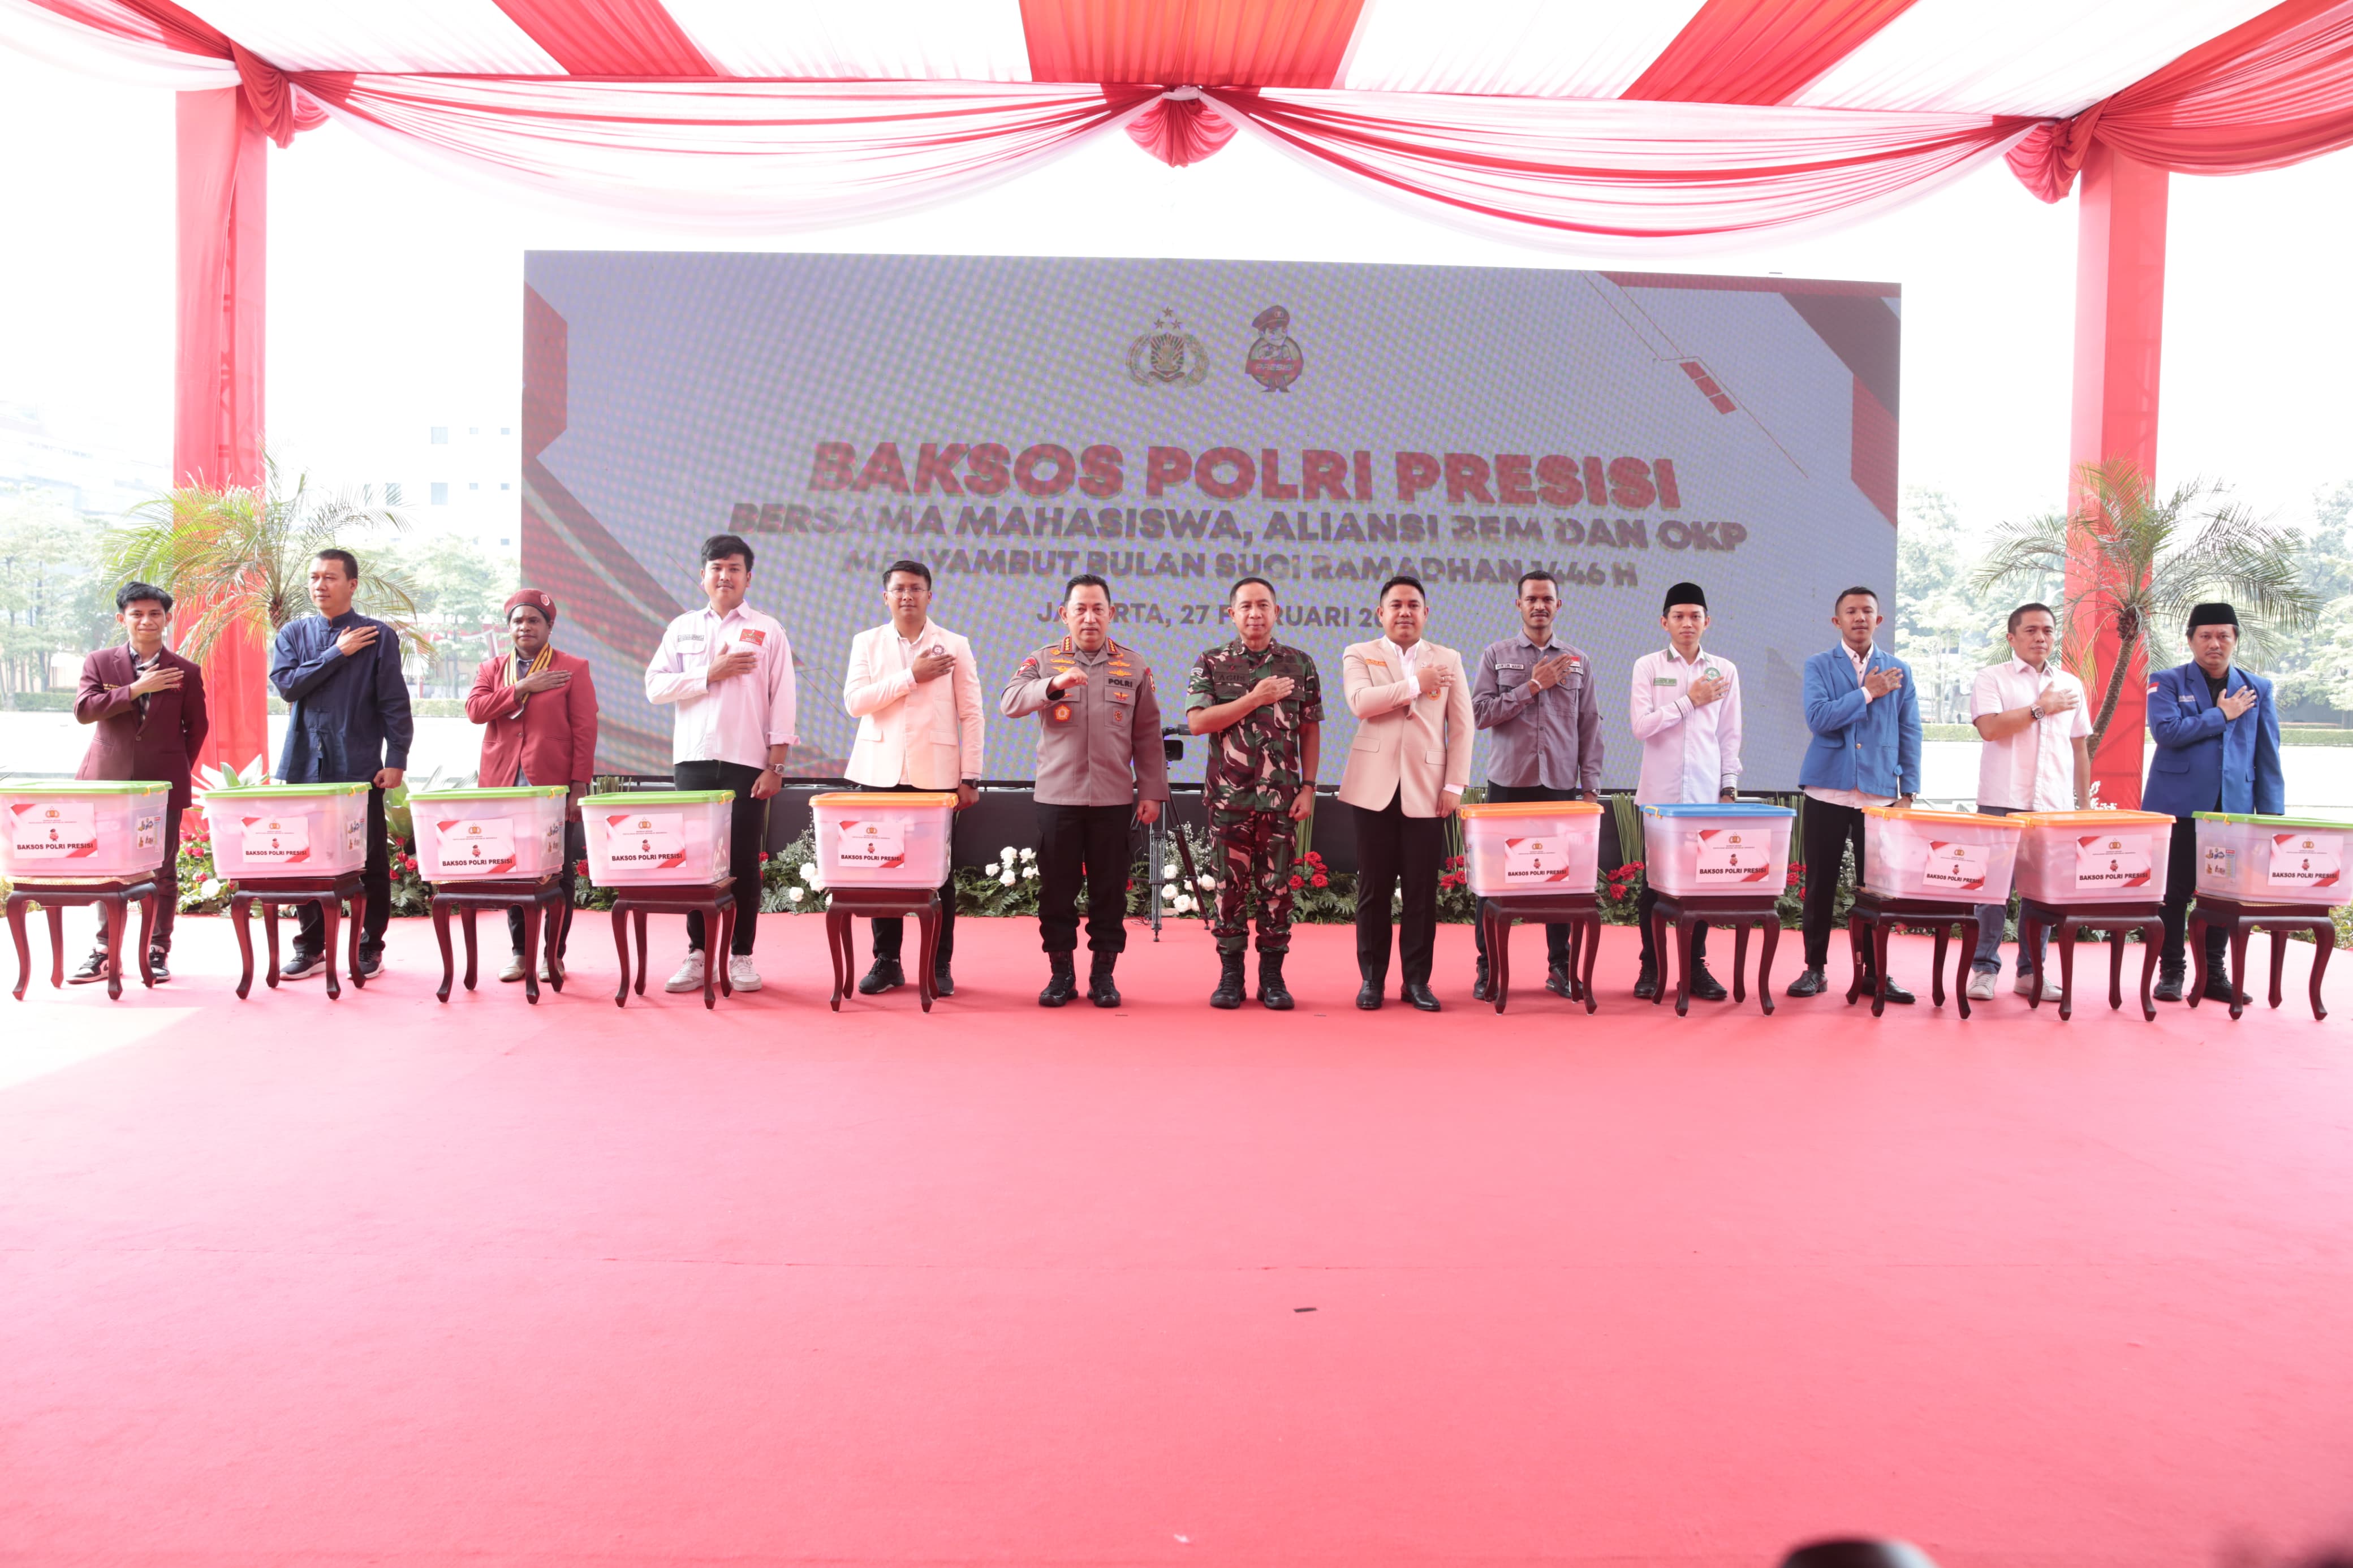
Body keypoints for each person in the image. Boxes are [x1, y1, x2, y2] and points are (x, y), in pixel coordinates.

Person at [1000, 574, 1170, 1008]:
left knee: (1110, 892)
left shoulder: (1133, 666)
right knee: (1056, 892)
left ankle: (1103, 976)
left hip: (1113, 800)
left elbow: (1148, 736)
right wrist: (1053, 685)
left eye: (1098, 609)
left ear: (1112, 613)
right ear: (1065, 614)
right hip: (1057, 799)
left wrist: (1151, 791)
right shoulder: (1044, 660)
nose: (1090, 618)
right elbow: (1010, 702)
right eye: (1081, 609)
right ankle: (1061, 974)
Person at [643, 533, 796, 994]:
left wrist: (776, 765)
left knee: (744, 861)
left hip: (747, 763)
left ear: (749, 577)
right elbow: (655, 687)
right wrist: (709, 673)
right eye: (716, 568)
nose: (724, 576)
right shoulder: (682, 627)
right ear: (702, 576)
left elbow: (783, 700)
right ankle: (698, 954)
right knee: (696, 862)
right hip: (692, 762)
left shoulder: (768, 629)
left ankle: (741, 955)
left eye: (734, 568)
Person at [269, 548, 412, 981]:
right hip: (303, 765)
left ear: (352, 584)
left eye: (330, 577)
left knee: (369, 859)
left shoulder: (378, 636)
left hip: (359, 765)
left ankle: (370, 945)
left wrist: (397, 758)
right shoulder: (293, 633)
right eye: (314, 577)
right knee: (306, 859)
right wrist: (336, 653)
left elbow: (394, 702)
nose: (320, 585)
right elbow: (288, 687)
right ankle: (311, 947)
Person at [844, 559, 983, 997]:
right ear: (885, 596)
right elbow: (856, 703)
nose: (907, 595)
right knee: (880, 871)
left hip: (937, 777)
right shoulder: (867, 642)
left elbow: (971, 714)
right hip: (877, 774)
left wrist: (970, 776)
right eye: (899, 588)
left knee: (939, 875)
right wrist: (911, 677)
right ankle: (887, 961)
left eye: (916, 588)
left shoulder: (954, 644)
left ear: (929, 595)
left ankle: (939, 963)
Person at [1186, 576, 1324, 1010]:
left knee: (1277, 889)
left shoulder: (1299, 663)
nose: (1255, 613)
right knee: (1228, 890)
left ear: (1276, 612)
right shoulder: (1212, 661)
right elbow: (1198, 722)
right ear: (1232, 614)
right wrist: (1255, 697)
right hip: (1230, 800)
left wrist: (1309, 787)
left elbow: (1309, 730)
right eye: (1245, 606)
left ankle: (1272, 977)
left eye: (1263, 605)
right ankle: (1231, 977)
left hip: (1281, 801)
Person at [1339, 575, 1472, 1012]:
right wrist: (1417, 683)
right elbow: (1361, 702)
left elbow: (1463, 726)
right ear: (1381, 613)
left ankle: (1417, 981)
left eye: (1413, 605)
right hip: (1372, 789)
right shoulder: (1360, 652)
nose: (1404, 612)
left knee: (1421, 892)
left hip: (1429, 790)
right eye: (1395, 605)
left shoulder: (1449, 658)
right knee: (1374, 889)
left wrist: (1454, 785)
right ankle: (1372, 979)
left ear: (1425, 613)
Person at [1469, 569, 1602, 1001]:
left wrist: (1590, 789)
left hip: (1559, 786)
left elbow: (1589, 727)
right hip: (1508, 783)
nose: (1540, 606)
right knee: (1493, 882)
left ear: (1558, 605)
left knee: (1559, 881)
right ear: (1519, 605)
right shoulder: (1496, 654)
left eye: (1547, 599)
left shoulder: (1579, 661)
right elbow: (1479, 714)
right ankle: (1488, 968)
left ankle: (1559, 967)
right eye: (1532, 599)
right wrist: (1531, 686)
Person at [69, 581, 208, 985]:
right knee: (107, 868)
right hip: (107, 784)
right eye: (137, 614)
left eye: (154, 614)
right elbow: (84, 710)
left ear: (167, 619)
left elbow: (197, 728)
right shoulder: (99, 662)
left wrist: (174, 768)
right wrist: (136, 689)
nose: (146, 621)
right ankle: (104, 951)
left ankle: (157, 949)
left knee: (162, 870)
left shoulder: (185, 671)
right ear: (122, 619)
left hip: (162, 787)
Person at [2144, 601, 2283, 1003]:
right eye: (2205, 636)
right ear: (2191, 641)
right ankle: (2172, 971)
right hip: (2177, 807)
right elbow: (2166, 732)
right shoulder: (2166, 682)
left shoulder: (2258, 688)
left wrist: (2270, 816)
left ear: (2236, 639)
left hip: (2232, 813)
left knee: (2223, 895)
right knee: (2173, 892)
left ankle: (2213, 975)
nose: (2214, 643)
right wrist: (2222, 715)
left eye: (2224, 635)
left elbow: (2268, 755)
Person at [1788, 585, 1921, 1002]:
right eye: (1851, 611)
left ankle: (1874, 974)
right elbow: (1818, 718)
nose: (1859, 617)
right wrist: (1867, 692)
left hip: (1880, 795)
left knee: (1875, 890)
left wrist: (1909, 790)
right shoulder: (1818, 665)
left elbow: (1910, 731)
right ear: (1837, 621)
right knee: (1820, 884)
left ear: (1879, 620)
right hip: (1827, 789)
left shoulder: (1899, 669)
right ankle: (1814, 969)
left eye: (1867, 611)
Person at [464, 589, 599, 982]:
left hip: (553, 786)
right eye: (518, 621)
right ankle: (520, 953)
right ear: (509, 628)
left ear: (549, 626)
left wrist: (579, 785)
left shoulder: (573, 667)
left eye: (534, 620)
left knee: (557, 872)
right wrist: (523, 687)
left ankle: (553, 954)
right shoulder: (492, 669)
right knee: (513, 869)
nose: (525, 627)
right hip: (503, 784)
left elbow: (585, 730)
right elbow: (475, 711)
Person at [1963, 602, 2091, 1002]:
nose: (2041, 637)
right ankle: (1983, 970)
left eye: (2048, 630)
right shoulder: (1992, 678)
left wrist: (2084, 807)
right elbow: (1990, 729)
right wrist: (2041, 708)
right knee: (1992, 895)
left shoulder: (2071, 684)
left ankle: (2031, 973)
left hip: (2052, 807)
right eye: (2031, 630)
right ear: (2012, 637)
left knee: (2042, 895)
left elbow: (2080, 747)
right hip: (2001, 802)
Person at [1627, 581, 1744, 1002]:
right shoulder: (1648, 666)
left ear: (1707, 621)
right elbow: (1641, 726)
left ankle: (1695, 968)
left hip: (1706, 798)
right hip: (1658, 799)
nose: (1687, 623)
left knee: (1701, 886)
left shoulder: (1725, 670)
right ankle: (1651, 966)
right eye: (1679, 616)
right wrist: (1689, 701)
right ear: (1665, 622)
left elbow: (1729, 735)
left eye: (1695, 616)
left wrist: (1728, 787)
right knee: (1654, 886)